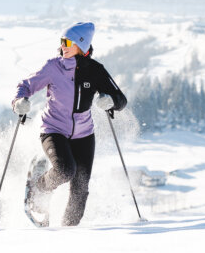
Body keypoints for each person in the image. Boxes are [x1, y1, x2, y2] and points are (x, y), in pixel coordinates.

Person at [12, 22, 127, 227]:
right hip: (53, 129)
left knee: (80, 190)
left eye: (67, 42)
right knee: (65, 170)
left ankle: (68, 233)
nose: (62, 46)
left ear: (81, 46)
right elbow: (26, 85)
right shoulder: (53, 67)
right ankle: (38, 188)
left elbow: (120, 98)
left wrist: (111, 101)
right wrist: (19, 101)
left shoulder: (95, 70)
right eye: (61, 42)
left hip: (84, 134)